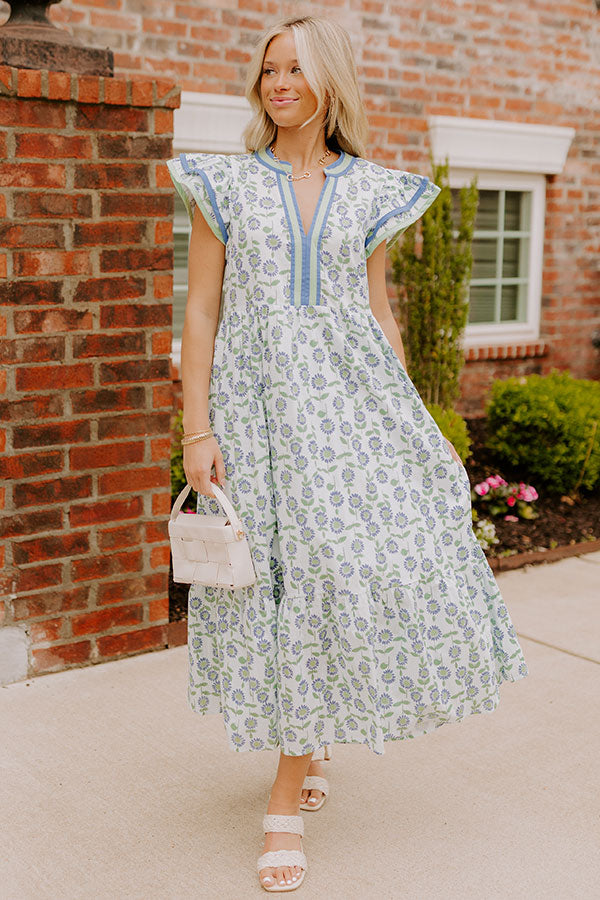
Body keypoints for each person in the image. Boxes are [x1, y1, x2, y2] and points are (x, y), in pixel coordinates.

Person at [167, 13, 529, 893]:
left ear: (330, 80)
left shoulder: (369, 190)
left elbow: (378, 312)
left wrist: (407, 418)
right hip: (258, 417)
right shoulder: (224, 183)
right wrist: (196, 430)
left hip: (349, 412)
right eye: (269, 70)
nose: (279, 84)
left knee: (339, 573)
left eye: (295, 69)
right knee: (281, 582)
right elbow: (202, 310)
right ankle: (304, 750)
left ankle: (284, 796)